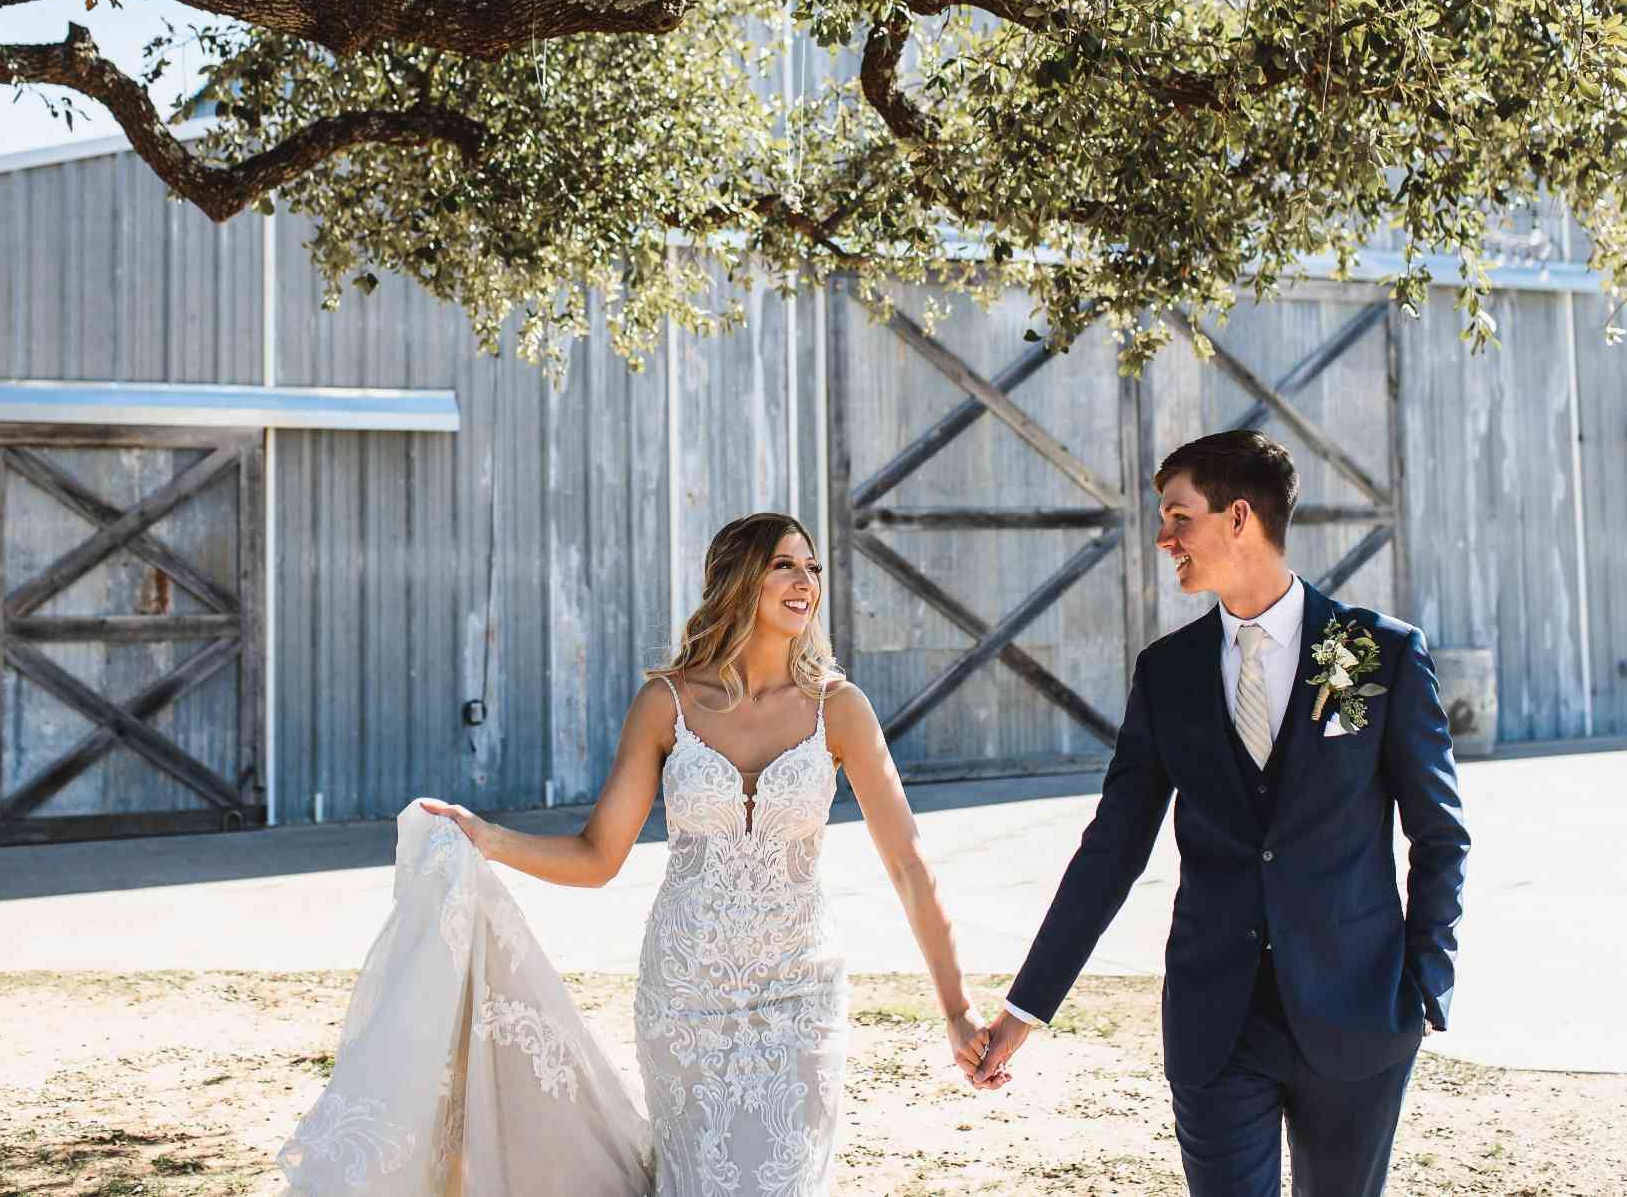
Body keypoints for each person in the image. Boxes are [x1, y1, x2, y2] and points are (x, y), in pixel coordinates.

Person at [277, 511, 1000, 1196]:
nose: (805, 580)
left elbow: (909, 866)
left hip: (799, 998)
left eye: (811, 566)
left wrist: (957, 1009)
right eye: (783, 565)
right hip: (685, 999)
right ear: (737, 580)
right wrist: (487, 838)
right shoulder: (666, 703)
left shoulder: (838, 708)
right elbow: (597, 857)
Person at [972, 429, 1470, 1197]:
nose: (1163, 537)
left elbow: (1438, 833)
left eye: (1179, 517)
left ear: (1239, 518)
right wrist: (1025, 1009)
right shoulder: (1167, 674)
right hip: (1215, 1020)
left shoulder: (1377, 653)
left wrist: (1426, 983)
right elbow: (1112, 849)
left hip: (1361, 1013)